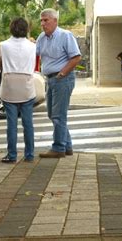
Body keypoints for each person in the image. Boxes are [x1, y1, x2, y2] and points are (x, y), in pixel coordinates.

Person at [36, 9, 81, 158]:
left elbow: (76, 57)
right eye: (41, 20)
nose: (43, 23)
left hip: (63, 79)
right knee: (52, 114)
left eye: (46, 20)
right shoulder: (41, 38)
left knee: (58, 115)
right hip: (49, 79)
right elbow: (35, 56)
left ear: (55, 20)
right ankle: (67, 146)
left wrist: (62, 73)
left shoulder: (65, 35)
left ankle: (58, 147)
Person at [0, 18, 36, 163]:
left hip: (9, 87)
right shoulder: (32, 46)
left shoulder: (3, 45)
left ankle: (12, 155)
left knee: (11, 124)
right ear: (26, 29)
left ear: (11, 28)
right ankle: (29, 154)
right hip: (26, 86)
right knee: (28, 123)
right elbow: (34, 65)